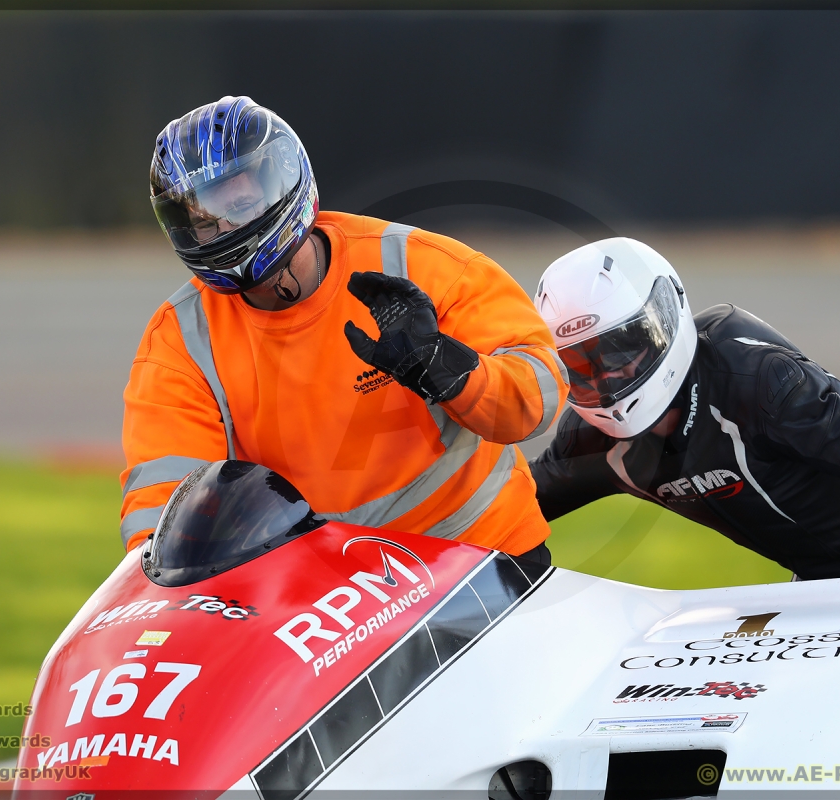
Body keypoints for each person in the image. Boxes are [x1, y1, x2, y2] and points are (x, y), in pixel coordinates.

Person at [120, 96, 567, 561]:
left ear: (284, 176)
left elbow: (538, 400)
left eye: (241, 200)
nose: (228, 224)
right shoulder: (180, 341)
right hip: (322, 598)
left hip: (478, 552)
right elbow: (164, 506)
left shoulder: (421, 263)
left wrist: (450, 370)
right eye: (205, 220)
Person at [528, 237, 840, 579]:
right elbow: (512, 508)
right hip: (826, 589)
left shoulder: (757, 379)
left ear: (667, 315)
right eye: (581, 367)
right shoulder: (589, 441)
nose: (608, 380)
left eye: (622, 352)